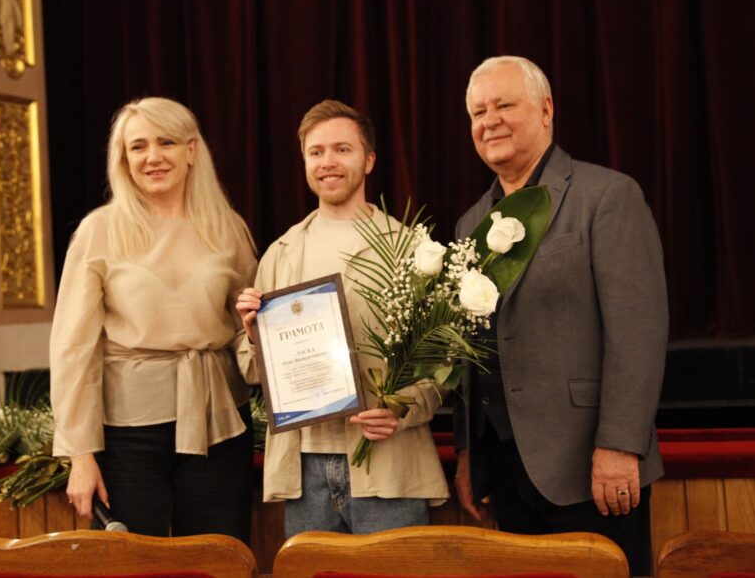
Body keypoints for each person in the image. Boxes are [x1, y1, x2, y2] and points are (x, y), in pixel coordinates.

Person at [454, 56, 668, 575]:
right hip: (505, 471)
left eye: (504, 105)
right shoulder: (470, 223)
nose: (490, 121)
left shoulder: (607, 196)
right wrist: (468, 455)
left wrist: (619, 446)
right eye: (479, 112)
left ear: (546, 110)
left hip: (591, 468)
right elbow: (470, 352)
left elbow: (637, 334)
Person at [235, 100, 448, 537]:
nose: (327, 161)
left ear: (368, 160)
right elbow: (251, 370)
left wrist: (401, 410)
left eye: (342, 149)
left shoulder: (412, 249)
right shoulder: (280, 253)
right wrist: (256, 338)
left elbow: (445, 363)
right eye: (316, 152)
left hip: (389, 463)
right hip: (304, 467)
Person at [50, 96, 257, 540]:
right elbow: (73, 349)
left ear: (191, 150)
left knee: (220, 560)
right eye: (138, 146)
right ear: (123, 159)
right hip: (128, 435)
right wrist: (80, 455)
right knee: (135, 564)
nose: (153, 157)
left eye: (166, 142)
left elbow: (250, 328)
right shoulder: (98, 231)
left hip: (221, 423)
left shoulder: (227, 227)